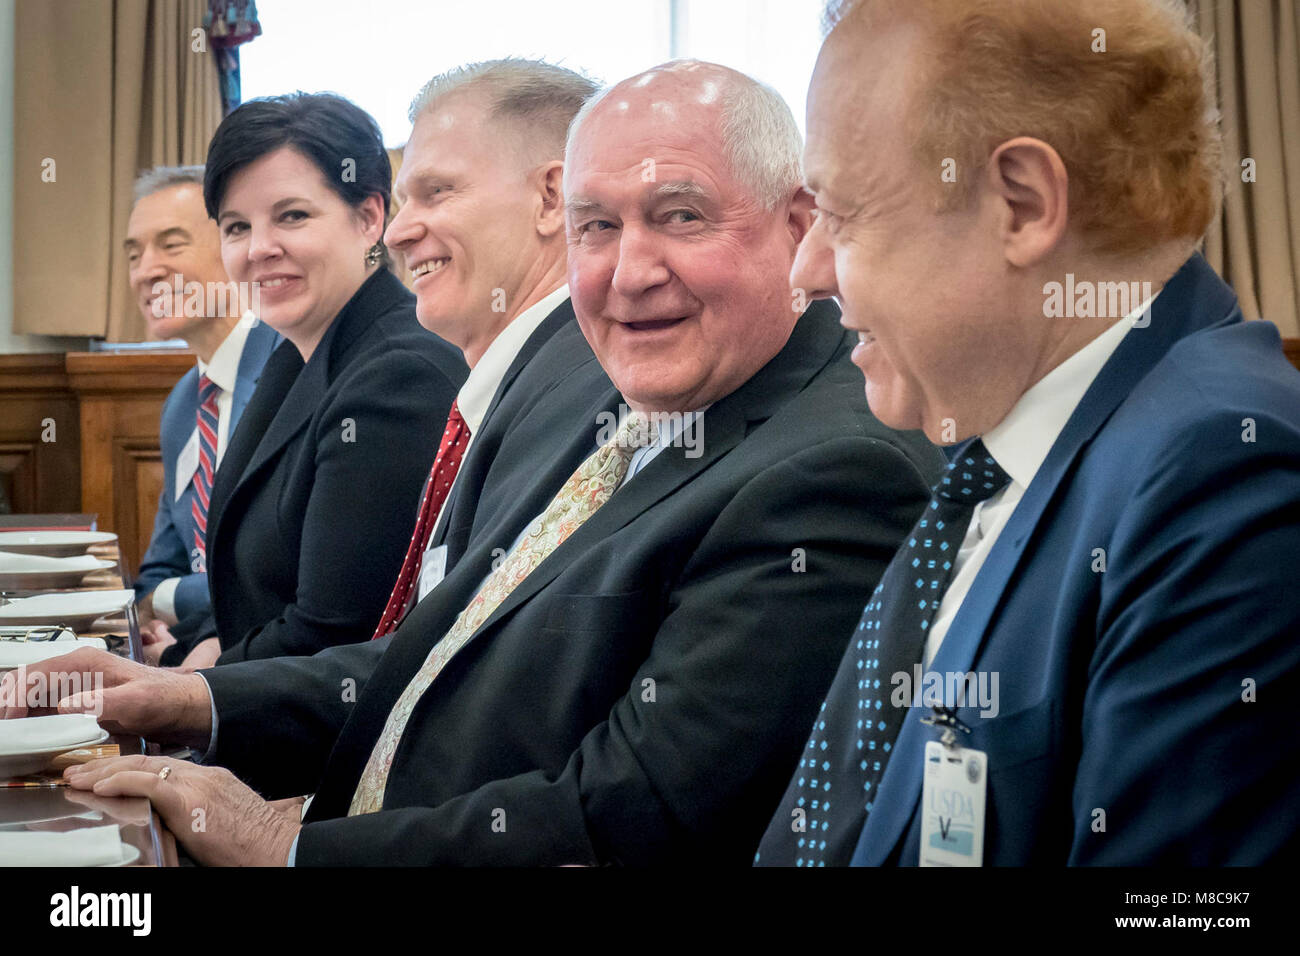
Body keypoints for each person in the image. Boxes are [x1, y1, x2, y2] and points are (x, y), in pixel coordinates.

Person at [5, 61, 943, 866]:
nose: (629, 272)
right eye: (596, 227)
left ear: (800, 223)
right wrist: (192, 697)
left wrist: (281, 843)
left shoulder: (834, 470)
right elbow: (441, 660)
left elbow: (633, 810)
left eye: (681, 216)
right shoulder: (621, 388)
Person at [755, 0, 1300, 866]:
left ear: (1021, 202)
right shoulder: (1003, 438)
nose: (807, 269)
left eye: (842, 215)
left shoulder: (1222, 471)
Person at [157, 93, 467, 668]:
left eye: (292, 216)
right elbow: (256, 588)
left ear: (371, 217)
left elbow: (335, 633)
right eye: (236, 227)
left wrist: (189, 684)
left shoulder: (399, 374)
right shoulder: (297, 353)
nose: (260, 249)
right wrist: (191, 643)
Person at [367, 59, 604, 633]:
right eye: (403, 201)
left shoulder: (587, 395)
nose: (395, 233)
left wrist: (203, 701)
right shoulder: (525, 380)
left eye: (436, 191)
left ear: (552, 198)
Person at [126, 166, 278, 647]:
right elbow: (156, 573)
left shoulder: (288, 373)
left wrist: (170, 606)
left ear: (235, 244)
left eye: (171, 245)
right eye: (134, 253)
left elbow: (271, 576)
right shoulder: (182, 405)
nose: (146, 270)